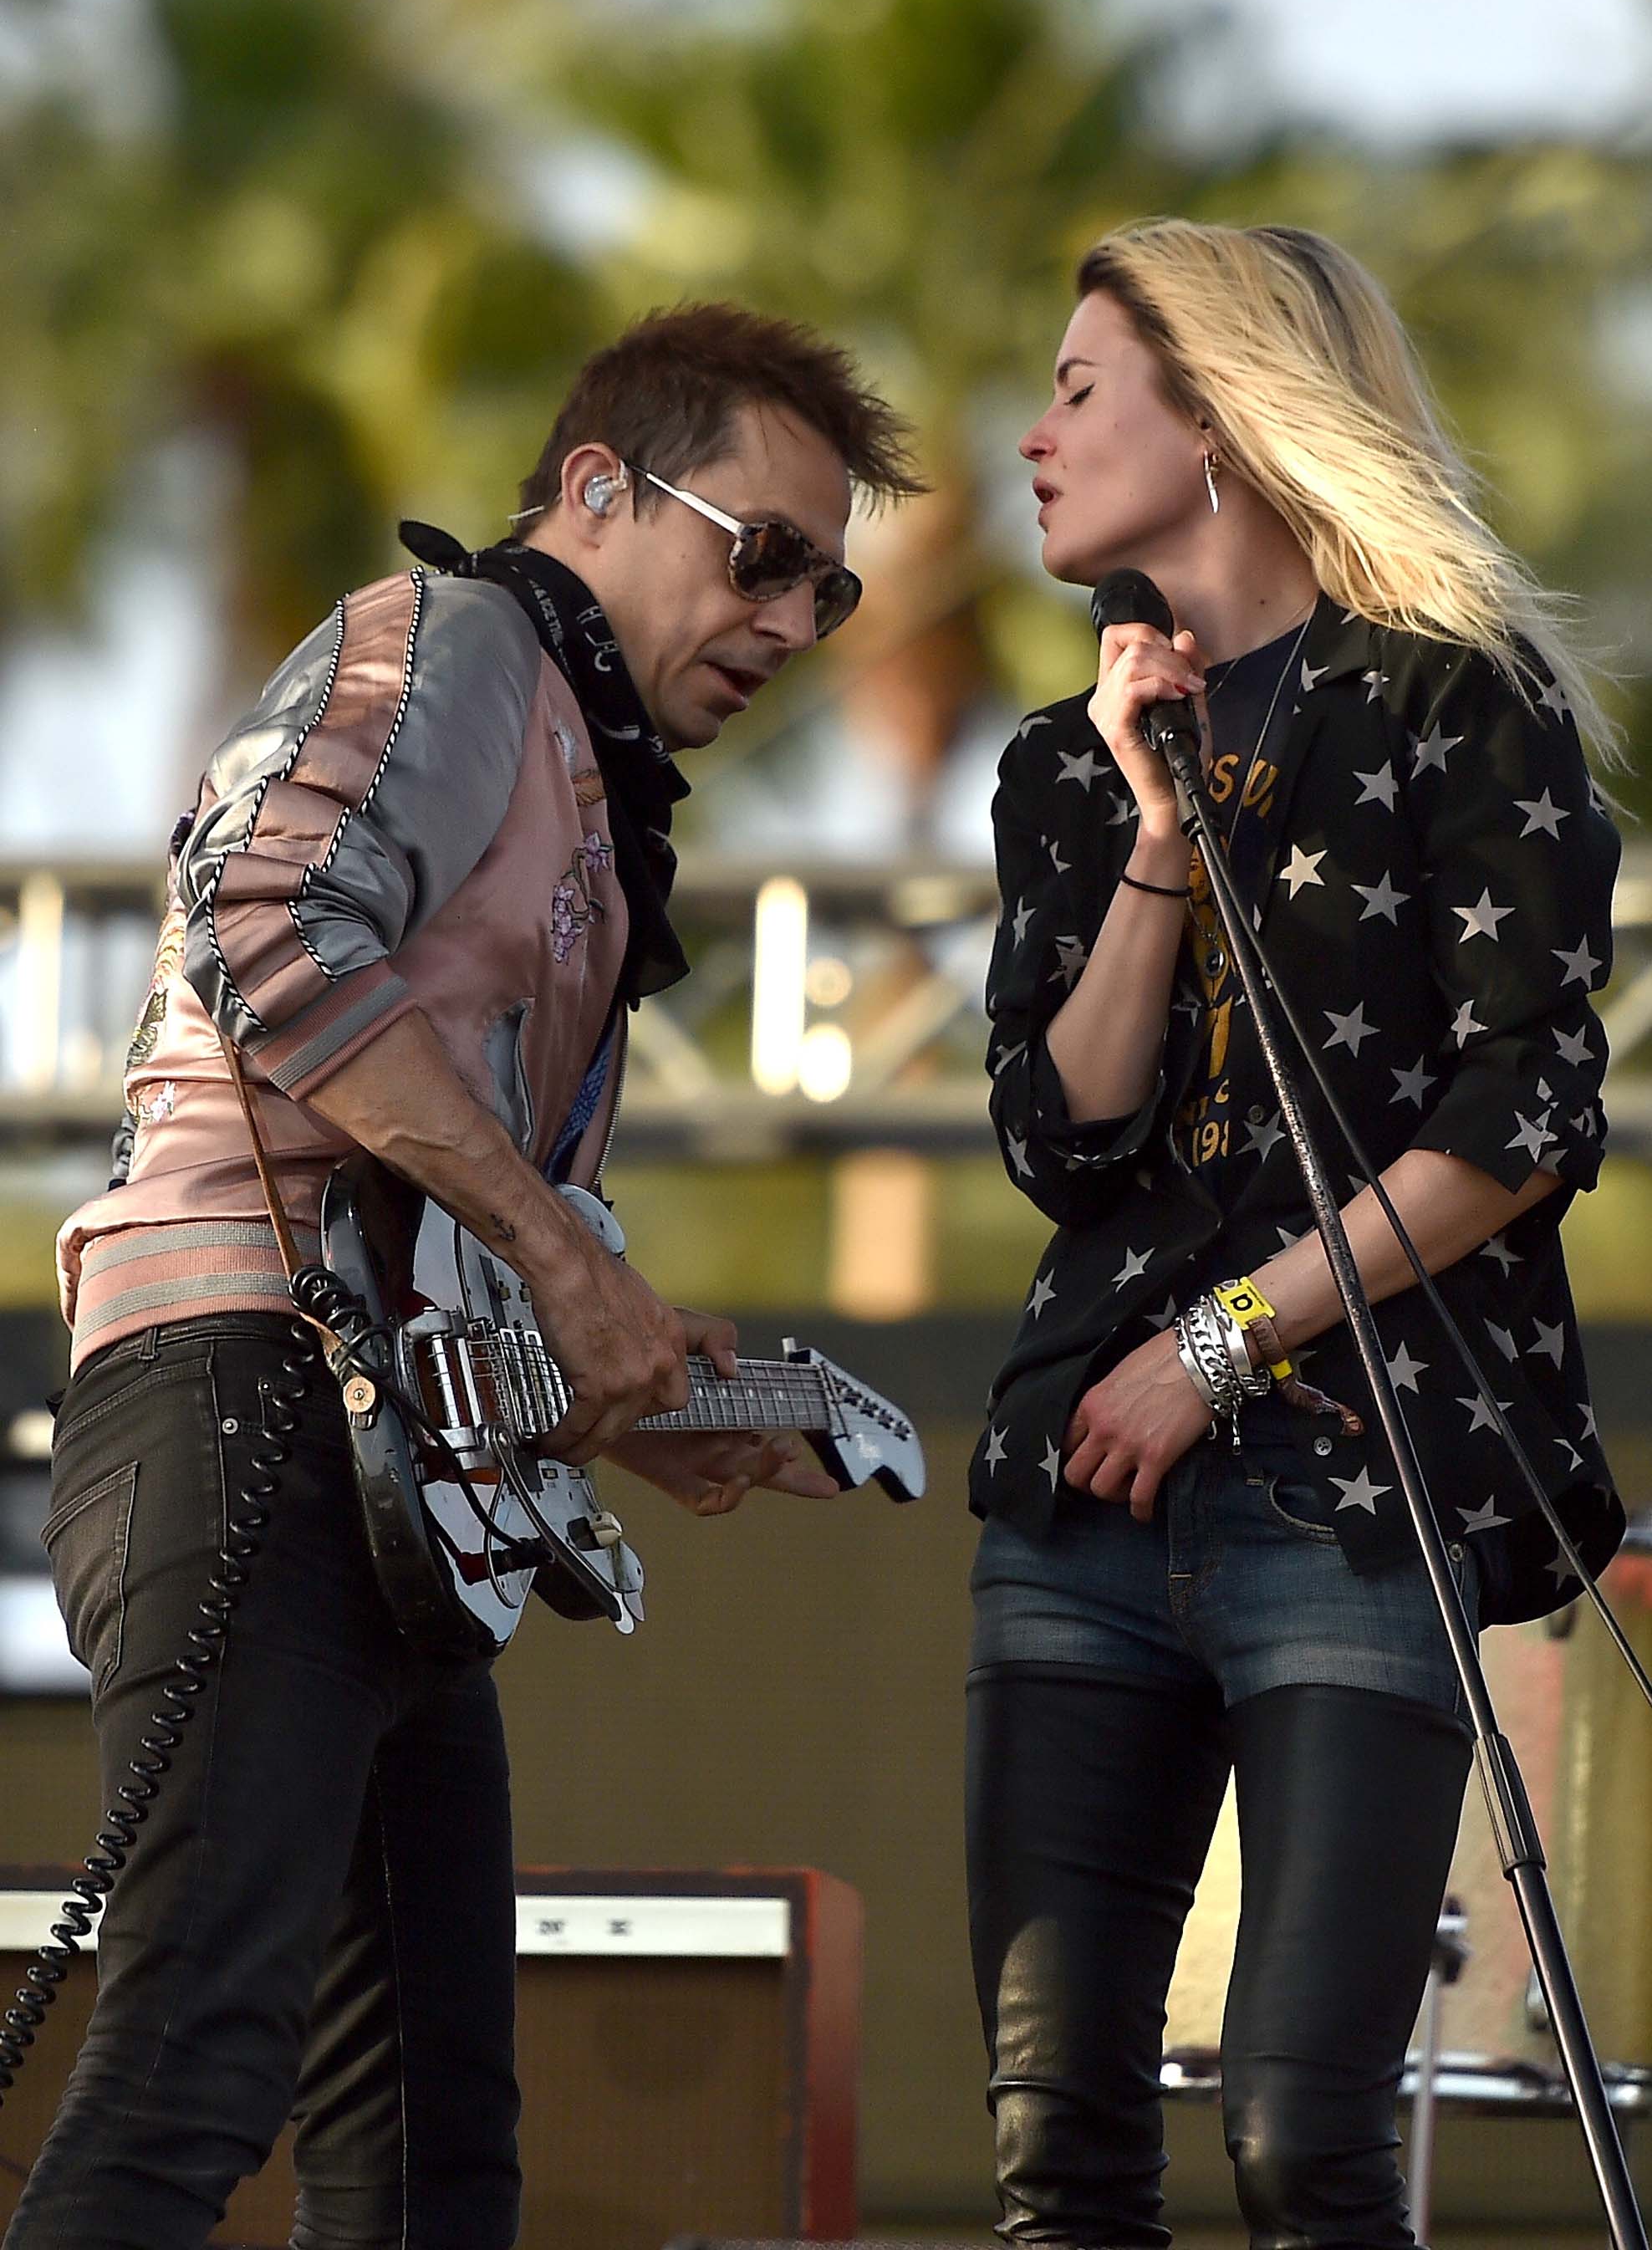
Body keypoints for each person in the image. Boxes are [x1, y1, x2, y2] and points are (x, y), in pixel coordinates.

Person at [9, 302, 923, 2250]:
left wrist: (620, 1379)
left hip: (367, 1466)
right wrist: (550, 1254)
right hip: (244, 1399)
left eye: (830, 592)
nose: (789, 620)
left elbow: (453, 1215)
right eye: (758, 552)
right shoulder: (460, 641)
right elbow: (257, 917)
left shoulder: (587, 789)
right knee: (192, 2064)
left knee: (435, 2149)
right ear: (597, 485)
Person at [965, 219, 1624, 2250]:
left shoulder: (1451, 710)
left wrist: (1224, 1341)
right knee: (1054, 2144)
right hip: (1078, 1513)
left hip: (1353, 1491)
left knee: (1296, 2133)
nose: (1030, 436)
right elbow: (1061, 1137)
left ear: (1224, 414)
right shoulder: (1068, 773)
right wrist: (1154, 837)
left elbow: (1521, 1112)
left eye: (1079, 389)